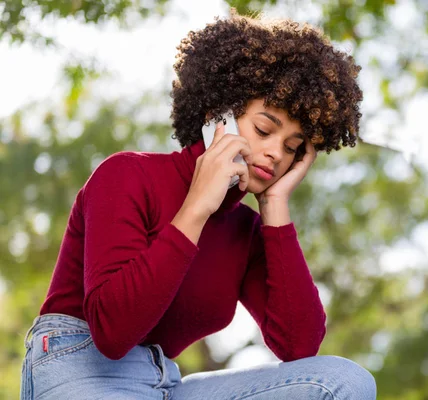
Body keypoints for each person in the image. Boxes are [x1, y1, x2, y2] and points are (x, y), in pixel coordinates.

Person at [20, 10, 376, 400]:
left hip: (164, 384)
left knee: (345, 383)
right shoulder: (126, 175)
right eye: (263, 129)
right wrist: (197, 207)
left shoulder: (247, 231)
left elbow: (300, 347)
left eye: (292, 148)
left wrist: (274, 205)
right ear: (217, 112)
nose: (275, 153)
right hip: (79, 364)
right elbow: (113, 332)